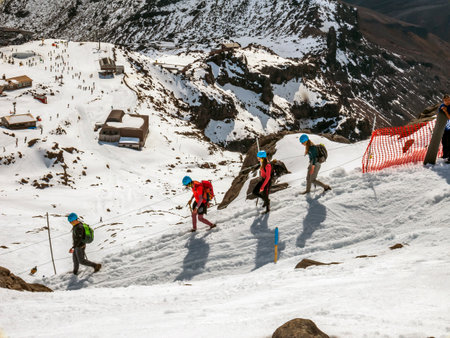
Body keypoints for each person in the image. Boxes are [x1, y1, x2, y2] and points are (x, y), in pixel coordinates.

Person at [439, 94, 450, 162]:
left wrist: (445, 111)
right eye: (445, 100)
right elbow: (440, 116)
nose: (447, 101)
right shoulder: (442, 106)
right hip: (445, 127)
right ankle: (445, 155)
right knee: (444, 142)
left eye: (448, 100)